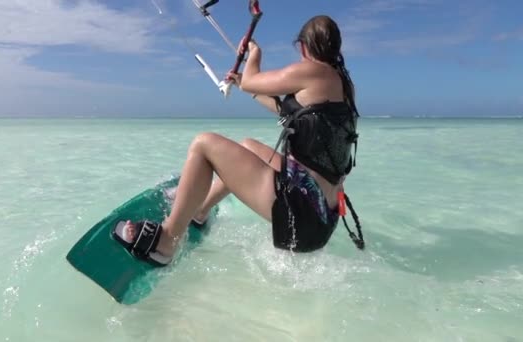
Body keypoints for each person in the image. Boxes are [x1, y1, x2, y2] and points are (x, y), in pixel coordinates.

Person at [113, 15, 364, 266]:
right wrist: (247, 85)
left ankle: (166, 241)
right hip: (320, 220)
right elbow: (288, 109)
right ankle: (200, 210)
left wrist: (254, 53)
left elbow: (254, 79)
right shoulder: (343, 85)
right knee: (247, 147)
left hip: (298, 216)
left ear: (303, 47)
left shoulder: (312, 70)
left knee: (203, 144)